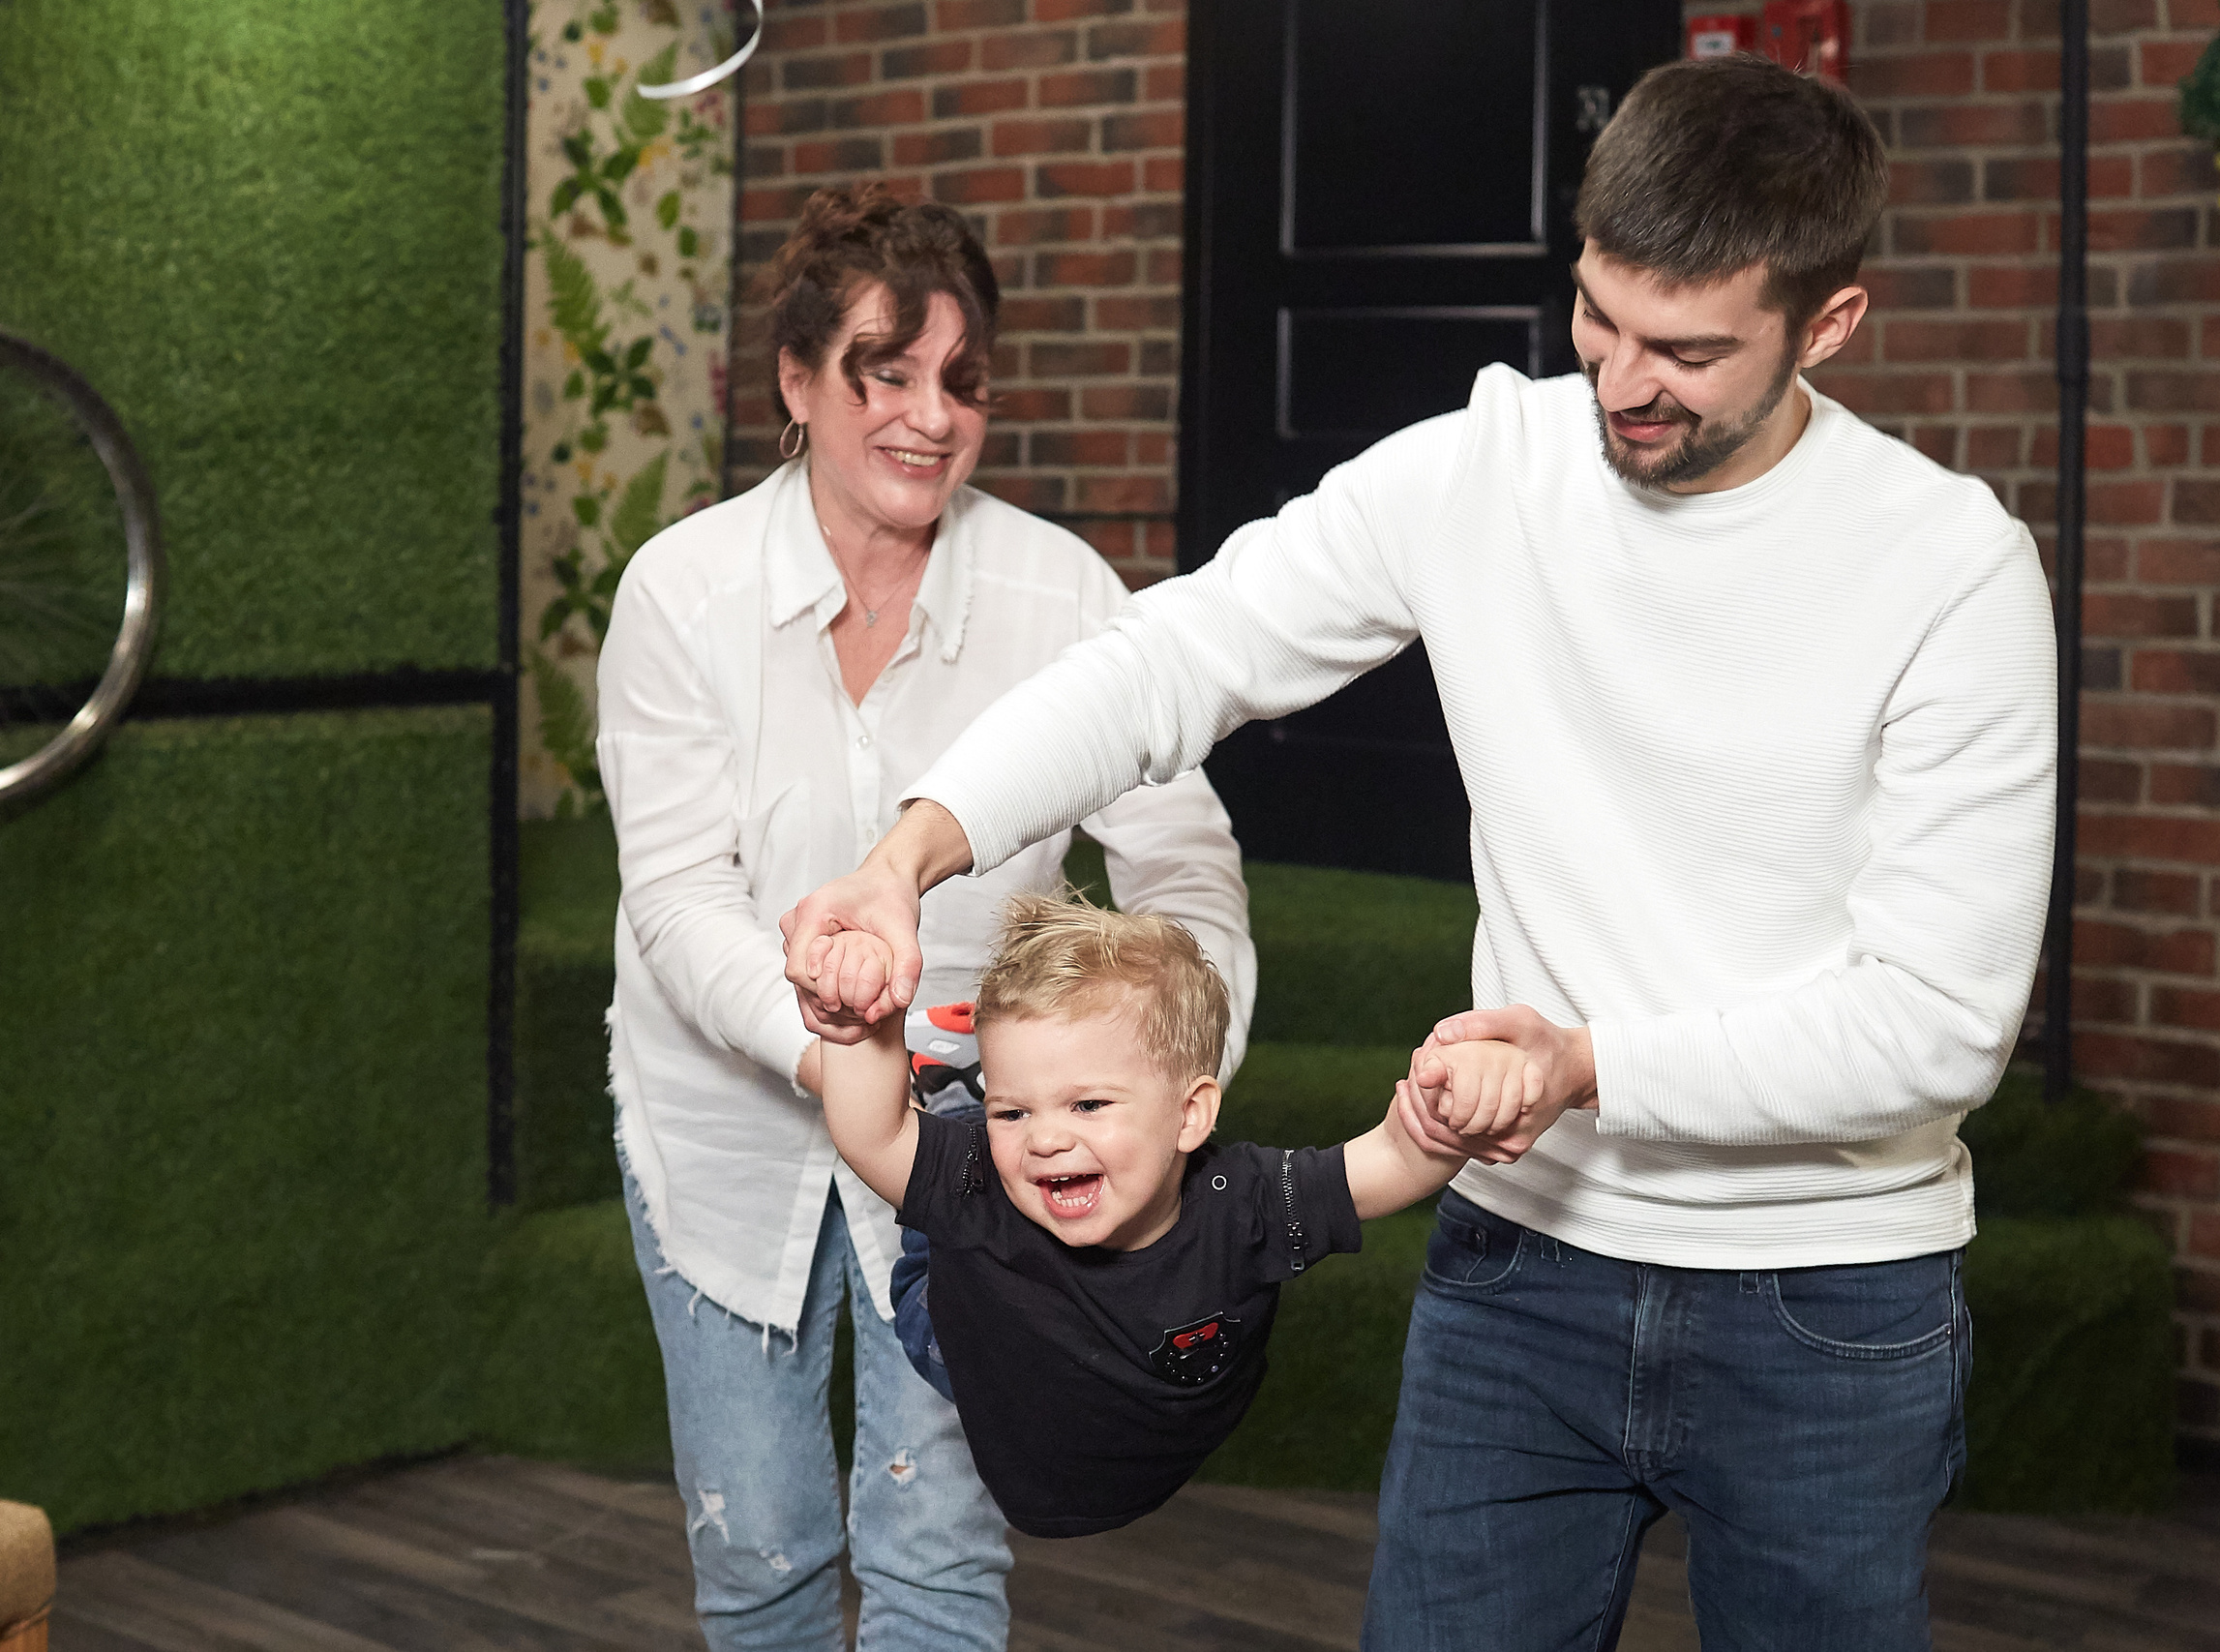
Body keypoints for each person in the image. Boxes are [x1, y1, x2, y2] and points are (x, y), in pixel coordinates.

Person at [779, 56, 2056, 1651]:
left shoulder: (1950, 572)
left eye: (1689, 349)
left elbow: (1937, 1020)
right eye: (1598, 317)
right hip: (1522, 1270)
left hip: (1827, 1302)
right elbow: (1177, 657)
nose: (1622, 382)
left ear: (1832, 325)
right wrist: (911, 851)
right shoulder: (1487, 469)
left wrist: (1586, 1062)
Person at [596, 184, 1255, 1650]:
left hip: (971, 1147)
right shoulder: (681, 590)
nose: (928, 416)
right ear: (794, 380)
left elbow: (1185, 865)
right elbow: (678, 895)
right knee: (757, 1555)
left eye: (961, 380)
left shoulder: (1062, 591)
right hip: (720, 1117)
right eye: (882, 372)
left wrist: (1159, 1086)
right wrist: (835, 1053)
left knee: (940, 1556)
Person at [808, 893, 1542, 1538]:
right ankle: (957, 1089)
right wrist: (854, 1027)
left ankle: (975, 1086)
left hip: (1134, 1422)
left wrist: (1444, 1117)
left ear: (1191, 1115)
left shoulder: (1243, 1201)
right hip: (976, 1339)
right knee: (942, 1195)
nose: (1047, 1136)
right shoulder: (985, 1183)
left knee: (973, 1158)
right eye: (1019, 1109)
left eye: (1088, 1102)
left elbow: (1382, 1164)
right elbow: (872, 1137)